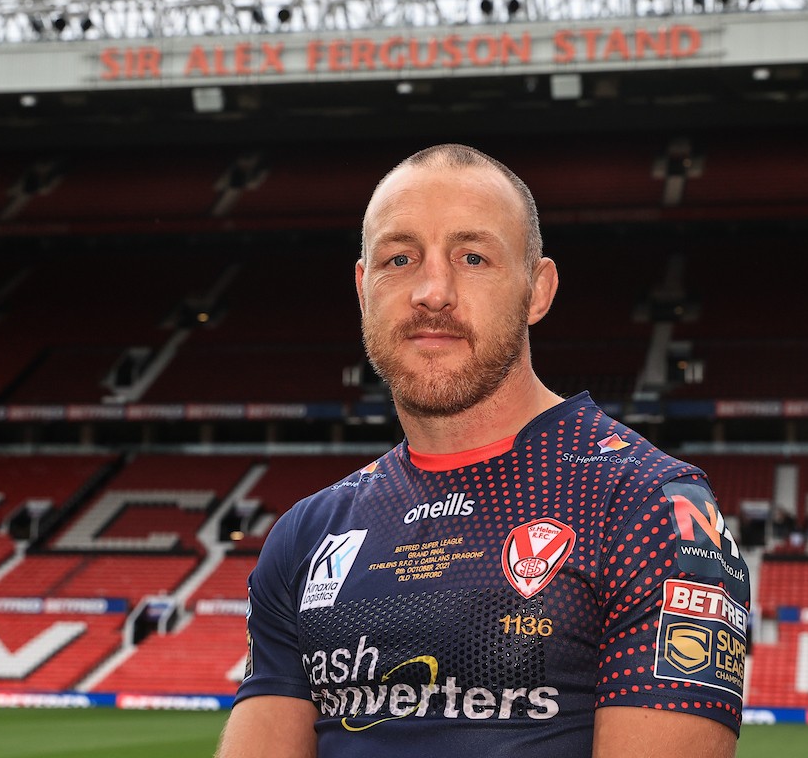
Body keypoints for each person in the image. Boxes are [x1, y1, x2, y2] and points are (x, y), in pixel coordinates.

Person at [217, 144, 750, 758]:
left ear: (537, 290)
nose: (432, 291)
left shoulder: (652, 507)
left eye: (473, 257)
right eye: (400, 258)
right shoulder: (304, 536)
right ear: (364, 288)